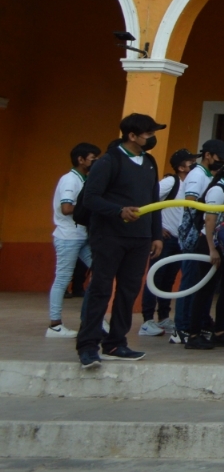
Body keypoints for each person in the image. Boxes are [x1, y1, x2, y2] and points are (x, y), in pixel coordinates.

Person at [73, 114, 163, 369]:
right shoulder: (109, 161)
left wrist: (156, 234)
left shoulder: (149, 161)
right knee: (101, 289)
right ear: (132, 135)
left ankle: (116, 342)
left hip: (140, 238)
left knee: (128, 291)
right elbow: (90, 198)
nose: (151, 137)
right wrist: (118, 210)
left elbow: (154, 200)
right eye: (147, 133)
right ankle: (88, 345)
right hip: (109, 236)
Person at [173, 137, 224, 349]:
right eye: (218, 157)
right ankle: (183, 327)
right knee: (191, 281)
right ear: (208, 155)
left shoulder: (208, 174)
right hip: (194, 234)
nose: (220, 162)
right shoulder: (197, 175)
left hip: (206, 232)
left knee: (204, 283)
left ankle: (199, 323)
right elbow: (191, 202)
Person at [139, 148, 194, 338]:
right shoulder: (171, 182)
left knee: (168, 279)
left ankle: (163, 316)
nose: (193, 164)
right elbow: (148, 201)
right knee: (155, 276)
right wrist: (156, 228)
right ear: (180, 167)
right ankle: (147, 320)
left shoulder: (191, 184)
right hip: (166, 238)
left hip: (180, 240)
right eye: (189, 162)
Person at [47, 143, 99, 338]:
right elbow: (66, 208)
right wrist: (91, 208)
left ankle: (95, 319)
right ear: (81, 159)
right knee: (62, 279)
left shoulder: (83, 179)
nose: (95, 161)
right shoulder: (70, 180)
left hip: (81, 236)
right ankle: (54, 324)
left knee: (100, 269)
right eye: (92, 157)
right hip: (68, 237)